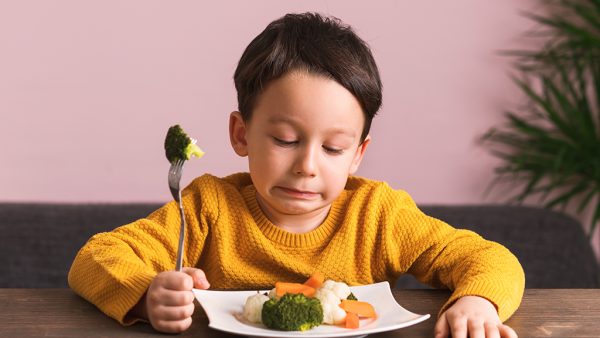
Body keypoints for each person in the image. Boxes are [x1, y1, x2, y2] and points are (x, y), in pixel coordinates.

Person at [68, 12, 524, 338]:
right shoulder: (209, 207)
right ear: (241, 134)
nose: (307, 165)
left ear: (358, 155)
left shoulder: (378, 214)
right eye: (285, 139)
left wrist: (477, 301)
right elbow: (96, 257)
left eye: (333, 148)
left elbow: (489, 259)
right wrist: (146, 295)